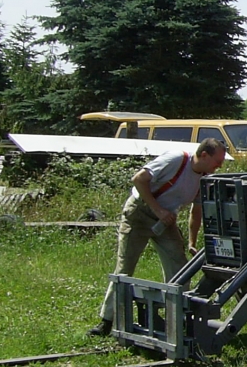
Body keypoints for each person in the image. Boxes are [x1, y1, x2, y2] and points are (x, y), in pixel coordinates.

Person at [90, 137, 227, 336]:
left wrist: (191, 241)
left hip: (166, 221)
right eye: (217, 161)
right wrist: (158, 209)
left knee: (180, 269)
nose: (219, 166)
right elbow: (139, 179)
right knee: (124, 268)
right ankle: (107, 321)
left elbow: (196, 212)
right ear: (204, 155)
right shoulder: (176, 160)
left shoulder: (203, 178)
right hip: (139, 214)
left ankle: (175, 318)